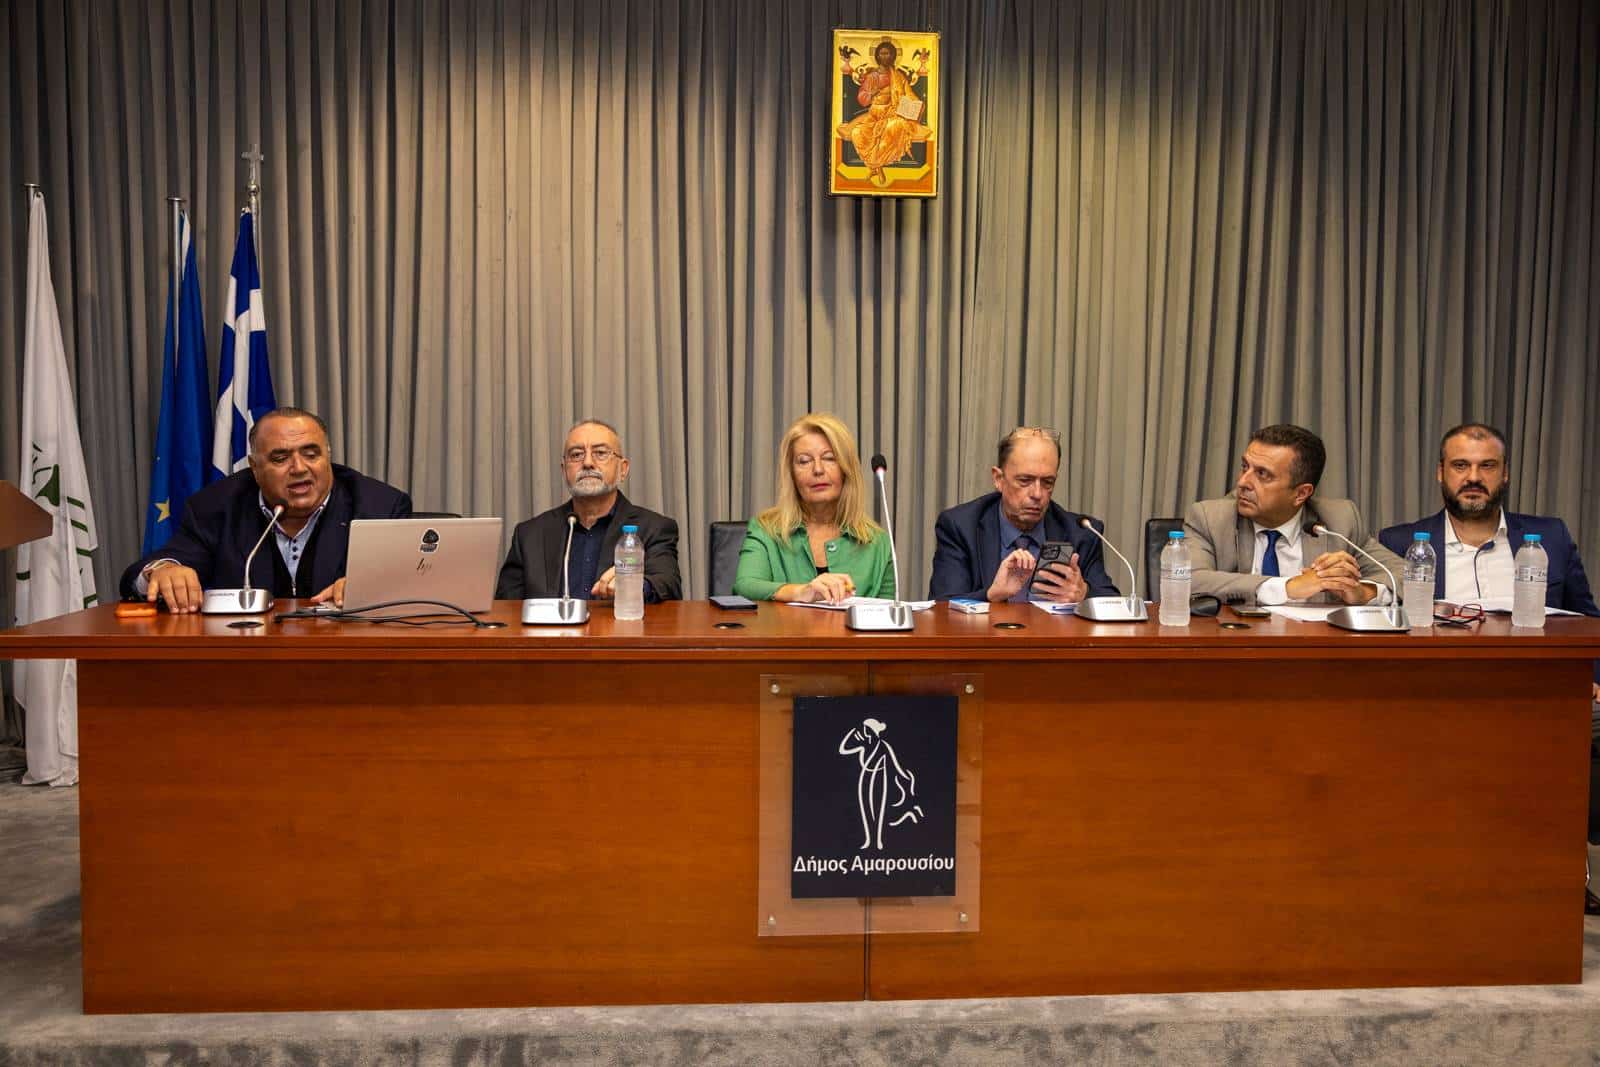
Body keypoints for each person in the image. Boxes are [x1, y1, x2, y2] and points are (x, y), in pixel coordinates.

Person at [1377, 422, 1600, 915]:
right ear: (1441, 473)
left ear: (1505, 474)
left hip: (1541, 691)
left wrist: (1595, 678)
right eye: (1461, 465)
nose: (1473, 477)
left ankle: (1561, 867)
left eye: (1486, 466)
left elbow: (1587, 617)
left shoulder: (1549, 537)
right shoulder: (1399, 541)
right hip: (1435, 692)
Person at [119, 407, 411, 610]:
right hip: (246, 663)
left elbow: (412, 582)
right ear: (255, 468)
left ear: (328, 457)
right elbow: (151, 569)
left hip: (347, 662)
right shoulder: (216, 507)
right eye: (280, 458)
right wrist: (163, 570)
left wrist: (372, 586)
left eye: (311, 454)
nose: (299, 468)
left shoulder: (378, 506)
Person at [1184, 424, 1401, 605]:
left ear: (1301, 493)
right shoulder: (1210, 518)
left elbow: (1407, 576)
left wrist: (1363, 592)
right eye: (1244, 467)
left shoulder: (1339, 521)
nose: (1242, 482)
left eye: (1262, 474)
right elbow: (1187, 580)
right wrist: (1287, 587)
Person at [496, 419, 681, 602]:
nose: (587, 462)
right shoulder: (530, 535)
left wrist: (635, 586)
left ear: (623, 469)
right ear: (564, 471)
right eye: (576, 455)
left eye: (600, 453)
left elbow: (667, 585)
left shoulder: (654, 529)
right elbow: (506, 610)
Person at [928, 426, 1119, 603]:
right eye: (1025, 480)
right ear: (998, 479)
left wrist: (1084, 594)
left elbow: (1113, 604)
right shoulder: (961, 526)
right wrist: (991, 595)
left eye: (1047, 482)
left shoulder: (1081, 532)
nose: (1037, 494)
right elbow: (941, 607)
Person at [733, 413, 893, 603]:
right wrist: (801, 592)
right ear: (792, 474)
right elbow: (744, 586)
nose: (818, 469)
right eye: (804, 461)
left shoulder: (878, 543)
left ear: (846, 469)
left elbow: (888, 615)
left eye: (829, 458)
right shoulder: (766, 529)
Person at [836, 38, 932, 188]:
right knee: (857, 132)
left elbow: (909, 94)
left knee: (891, 129)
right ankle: (877, 167)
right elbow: (862, 98)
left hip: (893, 114)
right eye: (882, 53)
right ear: (877, 56)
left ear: (893, 56)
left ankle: (876, 167)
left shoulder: (898, 77)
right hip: (874, 116)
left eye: (888, 53)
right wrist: (871, 94)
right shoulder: (872, 77)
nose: (885, 56)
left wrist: (917, 105)